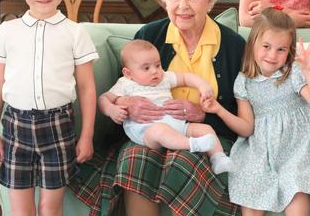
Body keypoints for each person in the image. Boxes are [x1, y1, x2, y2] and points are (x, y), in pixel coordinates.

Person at [69, 0, 245, 216]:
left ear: (209, 1)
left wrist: (203, 115)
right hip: (148, 131)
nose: (183, 5)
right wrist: (128, 105)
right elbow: (123, 88)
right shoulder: (150, 35)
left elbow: (242, 111)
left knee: (185, 159)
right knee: (134, 158)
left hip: (205, 135)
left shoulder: (232, 45)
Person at [0, 0, 98, 216]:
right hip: (15, 129)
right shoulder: (8, 32)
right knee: (21, 215)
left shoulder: (75, 32)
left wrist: (86, 134)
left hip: (58, 128)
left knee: (50, 212)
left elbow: (87, 88)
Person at [203, 8, 310, 216]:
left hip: (296, 141)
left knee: (296, 181)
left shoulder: (292, 73)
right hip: (261, 142)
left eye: (281, 49)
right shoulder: (244, 82)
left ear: (289, 51)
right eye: (266, 46)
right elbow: (247, 128)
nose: (273, 55)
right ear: (253, 45)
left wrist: (309, 71)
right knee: (247, 174)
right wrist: (219, 110)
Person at [98, 39, 232, 174]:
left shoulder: (164, 78)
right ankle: (192, 144)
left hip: (176, 124)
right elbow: (103, 98)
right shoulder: (125, 83)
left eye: (157, 65)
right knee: (160, 130)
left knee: (205, 129)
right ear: (128, 73)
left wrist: (202, 85)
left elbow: (185, 77)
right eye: (146, 68)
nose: (155, 71)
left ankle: (219, 158)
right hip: (146, 131)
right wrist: (111, 110)